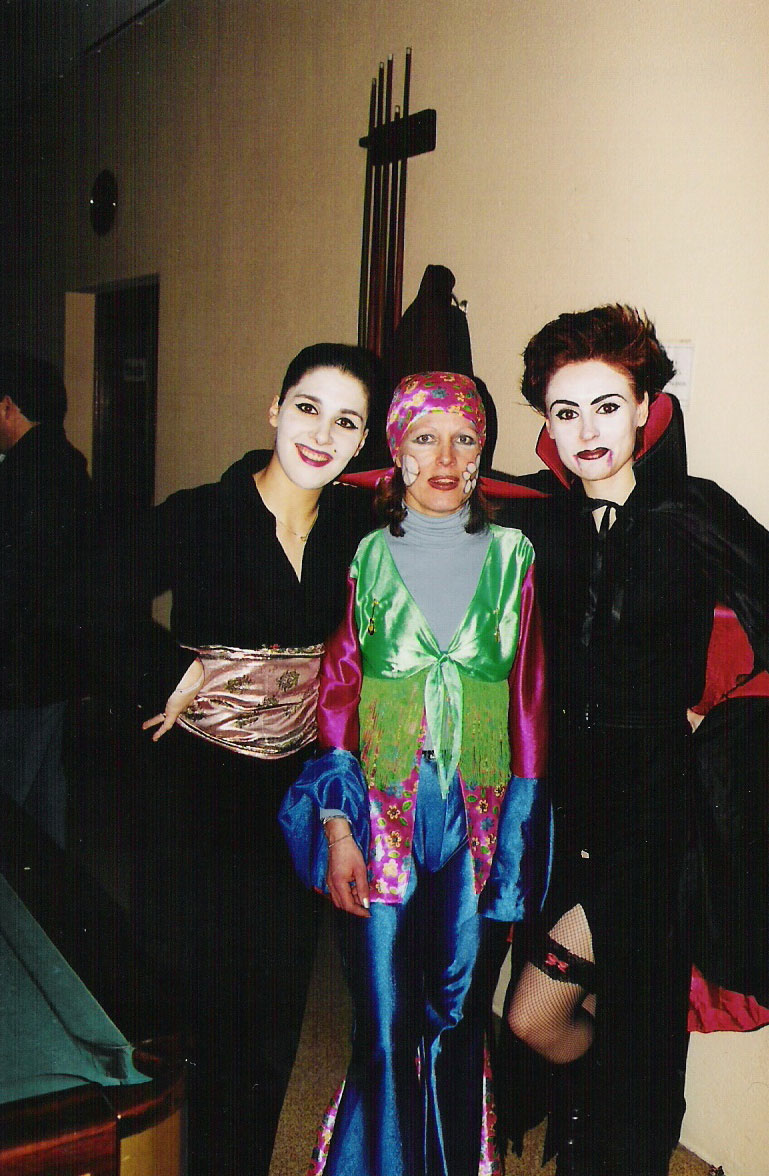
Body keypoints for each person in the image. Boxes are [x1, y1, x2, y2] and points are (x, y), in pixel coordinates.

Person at [501, 305, 769, 1176]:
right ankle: (593, 1115)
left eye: (606, 406)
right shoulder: (535, 524)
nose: (586, 430)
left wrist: (722, 724)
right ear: (545, 424)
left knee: (641, 1034)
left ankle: (618, 1148)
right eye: (565, 411)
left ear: (646, 409)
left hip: (656, 818)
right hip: (559, 810)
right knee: (535, 1020)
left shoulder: (692, 513)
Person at [279, 371, 551, 1176]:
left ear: (481, 454)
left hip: (480, 819)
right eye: (424, 439)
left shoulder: (514, 556)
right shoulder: (367, 557)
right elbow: (336, 695)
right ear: (396, 451)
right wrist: (337, 829)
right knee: (386, 1021)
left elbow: (530, 704)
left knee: (459, 1018)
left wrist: (516, 846)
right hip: (380, 813)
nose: (445, 459)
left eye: (464, 440)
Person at [135, 342, 381, 1176]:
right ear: (275, 409)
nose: (321, 434)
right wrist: (164, 670)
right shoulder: (199, 514)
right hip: (197, 788)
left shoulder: (355, 529)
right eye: (307, 408)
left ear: (362, 441)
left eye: (345, 422)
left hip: (294, 790)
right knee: (197, 1013)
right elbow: (74, 591)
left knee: (274, 1014)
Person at [0, 351, 93, 849]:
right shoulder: (63, 463)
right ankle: (53, 887)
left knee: (16, 787)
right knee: (42, 786)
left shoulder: (25, 472)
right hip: (53, 658)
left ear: (7, 407)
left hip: (21, 662)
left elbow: (19, 580)